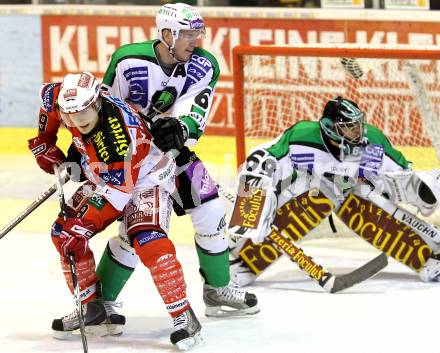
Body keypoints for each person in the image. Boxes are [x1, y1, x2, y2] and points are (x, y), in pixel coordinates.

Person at [90, 1, 259, 327]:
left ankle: (218, 288)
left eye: (199, 33)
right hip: (132, 162)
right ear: (167, 33)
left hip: (175, 155)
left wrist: (180, 129)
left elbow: (195, 111)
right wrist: (93, 153)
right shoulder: (128, 60)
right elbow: (104, 111)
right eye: (188, 34)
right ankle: (98, 303)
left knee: (211, 212)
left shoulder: (204, 64)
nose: (195, 41)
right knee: (137, 234)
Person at [28, 72, 203, 350]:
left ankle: (183, 316)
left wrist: (83, 223)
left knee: (147, 239)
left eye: (82, 114)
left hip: (146, 175)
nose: (75, 122)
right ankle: (92, 309)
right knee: (63, 234)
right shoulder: (57, 97)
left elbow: (117, 196)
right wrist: (46, 145)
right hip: (104, 173)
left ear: (97, 103)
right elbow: (49, 118)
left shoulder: (117, 139)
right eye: (69, 116)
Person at [228, 96, 440, 286]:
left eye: (358, 124)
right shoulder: (302, 137)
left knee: (368, 200)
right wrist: (253, 211)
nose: (357, 130)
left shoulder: (373, 142)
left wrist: (422, 188)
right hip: (304, 193)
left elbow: (404, 175)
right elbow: (260, 160)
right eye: (349, 126)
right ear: (330, 128)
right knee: (317, 198)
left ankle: (429, 255)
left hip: (352, 193)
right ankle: (241, 260)